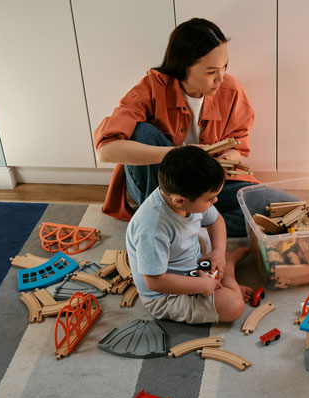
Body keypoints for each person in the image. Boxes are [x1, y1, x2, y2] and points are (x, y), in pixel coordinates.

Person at [95, 18, 263, 236]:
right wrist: (179, 155)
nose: (220, 78)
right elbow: (106, 150)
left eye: (224, 67)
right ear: (183, 67)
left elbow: (238, 148)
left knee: (266, 206)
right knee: (141, 132)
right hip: (160, 188)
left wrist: (223, 161)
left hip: (205, 188)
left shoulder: (231, 90)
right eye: (211, 71)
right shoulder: (152, 87)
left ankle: (191, 229)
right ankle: (162, 223)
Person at [125, 146, 252, 324]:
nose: (215, 201)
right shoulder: (152, 230)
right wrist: (203, 285)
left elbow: (216, 221)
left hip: (192, 262)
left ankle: (222, 262)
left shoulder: (183, 198)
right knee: (233, 306)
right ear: (179, 201)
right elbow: (155, 282)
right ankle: (228, 269)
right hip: (166, 294)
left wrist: (217, 251)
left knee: (209, 237)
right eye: (210, 199)